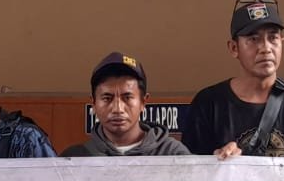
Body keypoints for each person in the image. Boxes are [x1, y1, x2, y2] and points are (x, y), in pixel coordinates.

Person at [179, 0, 284, 160]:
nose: (266, 48)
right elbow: (190, 169)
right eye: (253, 39)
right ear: (234, 48)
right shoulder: (208, 104)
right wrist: (216, 159)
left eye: (273, 38)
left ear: (282, 43)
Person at [63, 52, 193, 157]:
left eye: (127, 97)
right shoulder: (74, 158)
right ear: (94, 103)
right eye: (107, 98)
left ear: (143, 102)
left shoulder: (173, 154)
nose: (118, 109)